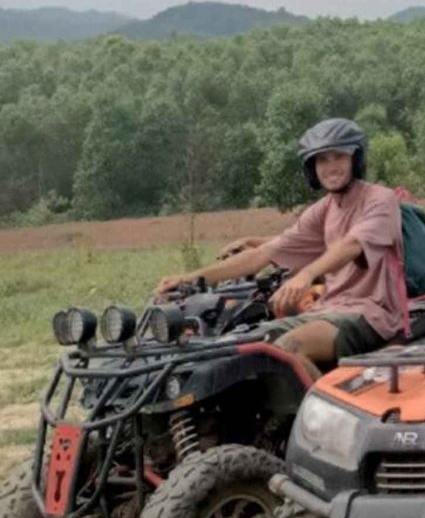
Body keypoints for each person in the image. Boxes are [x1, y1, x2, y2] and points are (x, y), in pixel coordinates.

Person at [154, 118, 404, 379]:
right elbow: (262, 255)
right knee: (248, 343)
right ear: (312, 168)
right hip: (328, 310)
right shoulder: (323, 210)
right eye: (322, 160)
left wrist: (305, 275)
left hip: (371, 315)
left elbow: (351, 245)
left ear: (356, 159)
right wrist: (188, 278)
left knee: (288, 349)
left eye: (339, 156)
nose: (331, 167)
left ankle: (325, 417)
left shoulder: (380, 199)